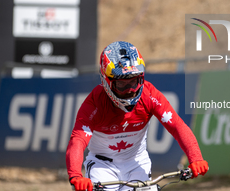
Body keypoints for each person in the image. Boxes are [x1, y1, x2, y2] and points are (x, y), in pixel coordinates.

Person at [66, 41, 209, 191]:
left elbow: (177, 126)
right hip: (102, 166)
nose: (130, 90)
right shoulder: (94, 103)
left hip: (136, 163)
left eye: (134, 81)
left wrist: (196, 158)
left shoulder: (150, 95)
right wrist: (75, 175)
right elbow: (78, 141)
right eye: (122, 84)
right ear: (106, 81)